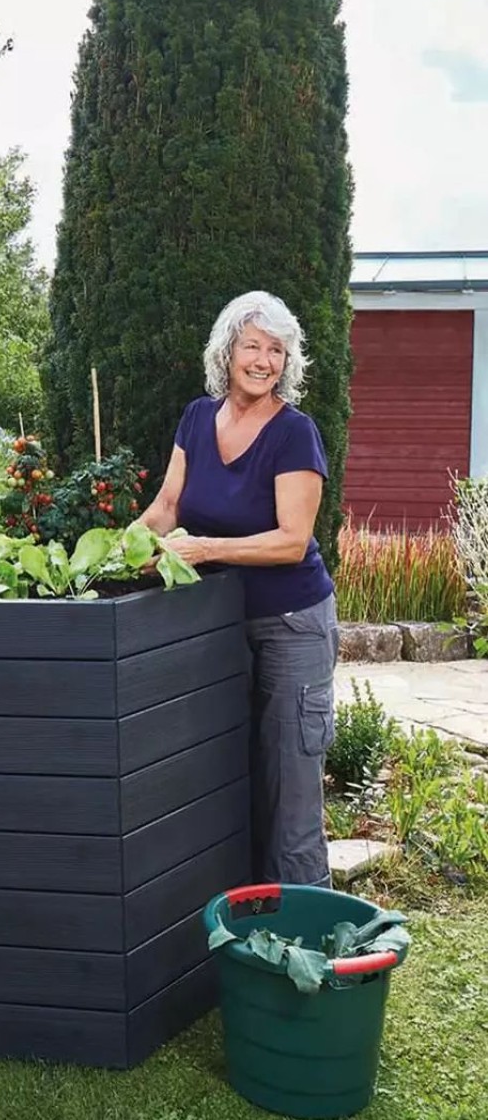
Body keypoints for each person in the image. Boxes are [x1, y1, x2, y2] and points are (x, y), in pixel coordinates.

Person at [139, 289, 338, 888]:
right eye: (253, 345)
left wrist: (205, 550)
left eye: (277, 350)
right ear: (228, 351)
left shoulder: (294, 433)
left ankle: (307, 942)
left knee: (291, 791)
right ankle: (246, 925)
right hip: (218, 627)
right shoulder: (199, 418)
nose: (264, 360)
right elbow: (168, 505)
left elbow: (290, 541)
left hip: (291, 625)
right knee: (229, 777)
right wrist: (112, 552)